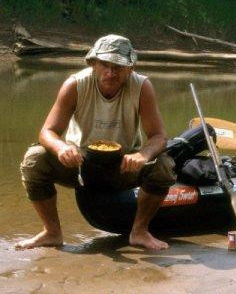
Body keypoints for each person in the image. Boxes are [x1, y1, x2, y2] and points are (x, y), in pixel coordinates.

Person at [16, 34, 175, 250]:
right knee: (34, 160)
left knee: (163, 166)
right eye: (105, 65)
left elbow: (158, 136)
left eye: (118, 66)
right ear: (93, 63)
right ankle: (52, 232)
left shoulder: (142, 87)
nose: (111, 73)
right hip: (79, 164)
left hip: (123, 165)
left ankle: (139, 231)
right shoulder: (75, 85)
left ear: (130, 67)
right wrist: (62, 148)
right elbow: (48, 131)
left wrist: (142, 155)